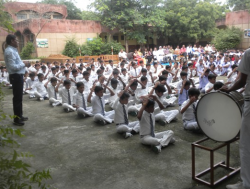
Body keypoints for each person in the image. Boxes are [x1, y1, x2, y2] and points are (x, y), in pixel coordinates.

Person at [221, 48, 250, 189]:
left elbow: (241, 81)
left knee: (246, 145)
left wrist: (230, 88)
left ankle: (247, 184)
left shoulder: (249, 53)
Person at [4, 34, 29, 126]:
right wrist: (24, 64)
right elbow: (13, 67)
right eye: (16, 40)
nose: (18, 42)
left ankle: (19, 116)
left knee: (19, 97)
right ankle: (16, 119)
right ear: (12, 41)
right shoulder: (10, 51)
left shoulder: (13, 50)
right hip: (16, 76)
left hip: (18, 76)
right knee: (17, 98)